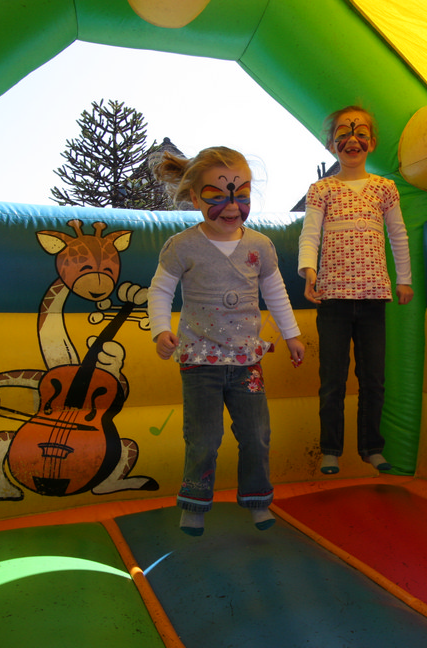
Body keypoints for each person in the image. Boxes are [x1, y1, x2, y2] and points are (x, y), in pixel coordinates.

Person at [149, 146, 305, 537]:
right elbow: (160, 290)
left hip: (246, 361)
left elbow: (276, 292)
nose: (232, 206)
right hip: (200, 360)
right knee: (203, 438)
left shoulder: (260, 246)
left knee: (256, 434)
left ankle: (257, 500)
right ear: (195, 197)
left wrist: (292, 334)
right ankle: (194, 505)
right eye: (217, 196)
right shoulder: (182, 246)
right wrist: (160, 330)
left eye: (241, 195)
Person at [298, 106, 413, 476]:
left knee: (373, 379)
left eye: (360, 133)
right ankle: (330, 449)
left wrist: (404, 278)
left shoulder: (384, 188)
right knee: (332, 379)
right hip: (333, 297)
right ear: (331, 145)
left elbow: (398, 234)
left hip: (373, 297)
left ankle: (371, 447)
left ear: (372, 143)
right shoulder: (322, 190)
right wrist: (309, 270)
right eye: (343, 134)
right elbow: (310, 233)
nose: (352, 140)